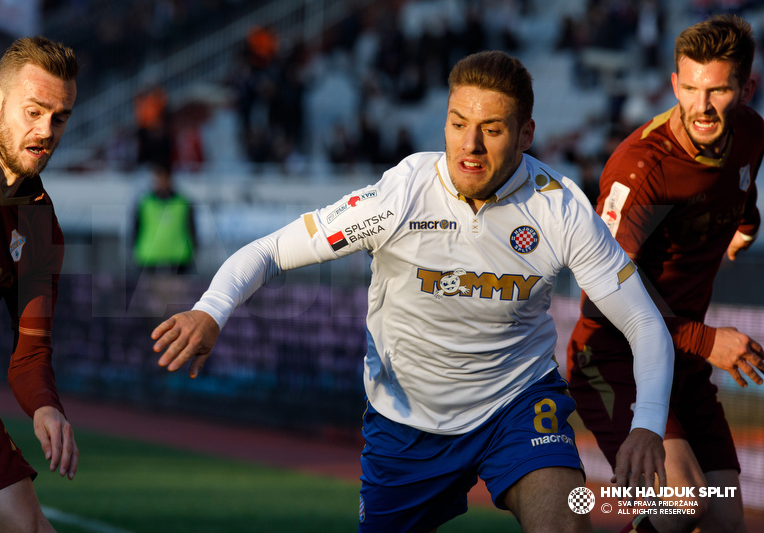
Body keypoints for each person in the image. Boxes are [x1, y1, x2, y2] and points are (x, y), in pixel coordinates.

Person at [152, 50, 675, 532]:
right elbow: (269, 251)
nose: (469, 146)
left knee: (565, 524)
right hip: (405, 424)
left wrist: (648, 424)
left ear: (525, 134)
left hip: (517, 405)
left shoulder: (561, 208)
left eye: (491, 130)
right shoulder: (399, 196)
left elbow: (644, 322)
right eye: (457, 124)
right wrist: (211, 311)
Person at [567, 14, 764, 533]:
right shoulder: (641, 171)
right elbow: (599, 298)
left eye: (718, 90)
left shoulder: (750, 134)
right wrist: (705, 339)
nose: (701, 107)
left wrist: (747, 226)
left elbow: (742, 188)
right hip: (612, 359)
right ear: (674, 83)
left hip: (685, 368)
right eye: (690, 88)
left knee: (726, 523)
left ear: (747, 87)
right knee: (681, 507)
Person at [0, 37, 79, 531]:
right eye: (34, 111)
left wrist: (46, 407)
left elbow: (30, 353)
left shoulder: (40, 225)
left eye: (59, 118)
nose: (45, 131)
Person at [132, 163, 198, 274]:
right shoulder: (144, 203)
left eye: (164, 178)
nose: (161, 182)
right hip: (148, 256)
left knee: (178, 290)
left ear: (170, 179)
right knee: (150, 290)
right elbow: (136, 228)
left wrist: (194, 250)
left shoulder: (183, 202)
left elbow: (192, 228)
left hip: (179, 257)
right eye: (158, 178)